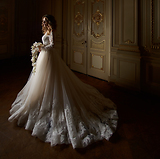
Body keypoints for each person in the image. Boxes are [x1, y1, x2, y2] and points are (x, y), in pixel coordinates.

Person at [8, 14, 118, 149]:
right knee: (41, 80)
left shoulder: (52, 32)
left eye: (45, 21)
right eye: (43, 21)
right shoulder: (45, 32)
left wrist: (42, 48)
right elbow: (46, 44)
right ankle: (42, 97)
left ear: (50, 22)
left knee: (53, 79)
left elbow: (52, 45)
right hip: (44, 58)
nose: (43, 24)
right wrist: (41, 47)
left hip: (50, 57)